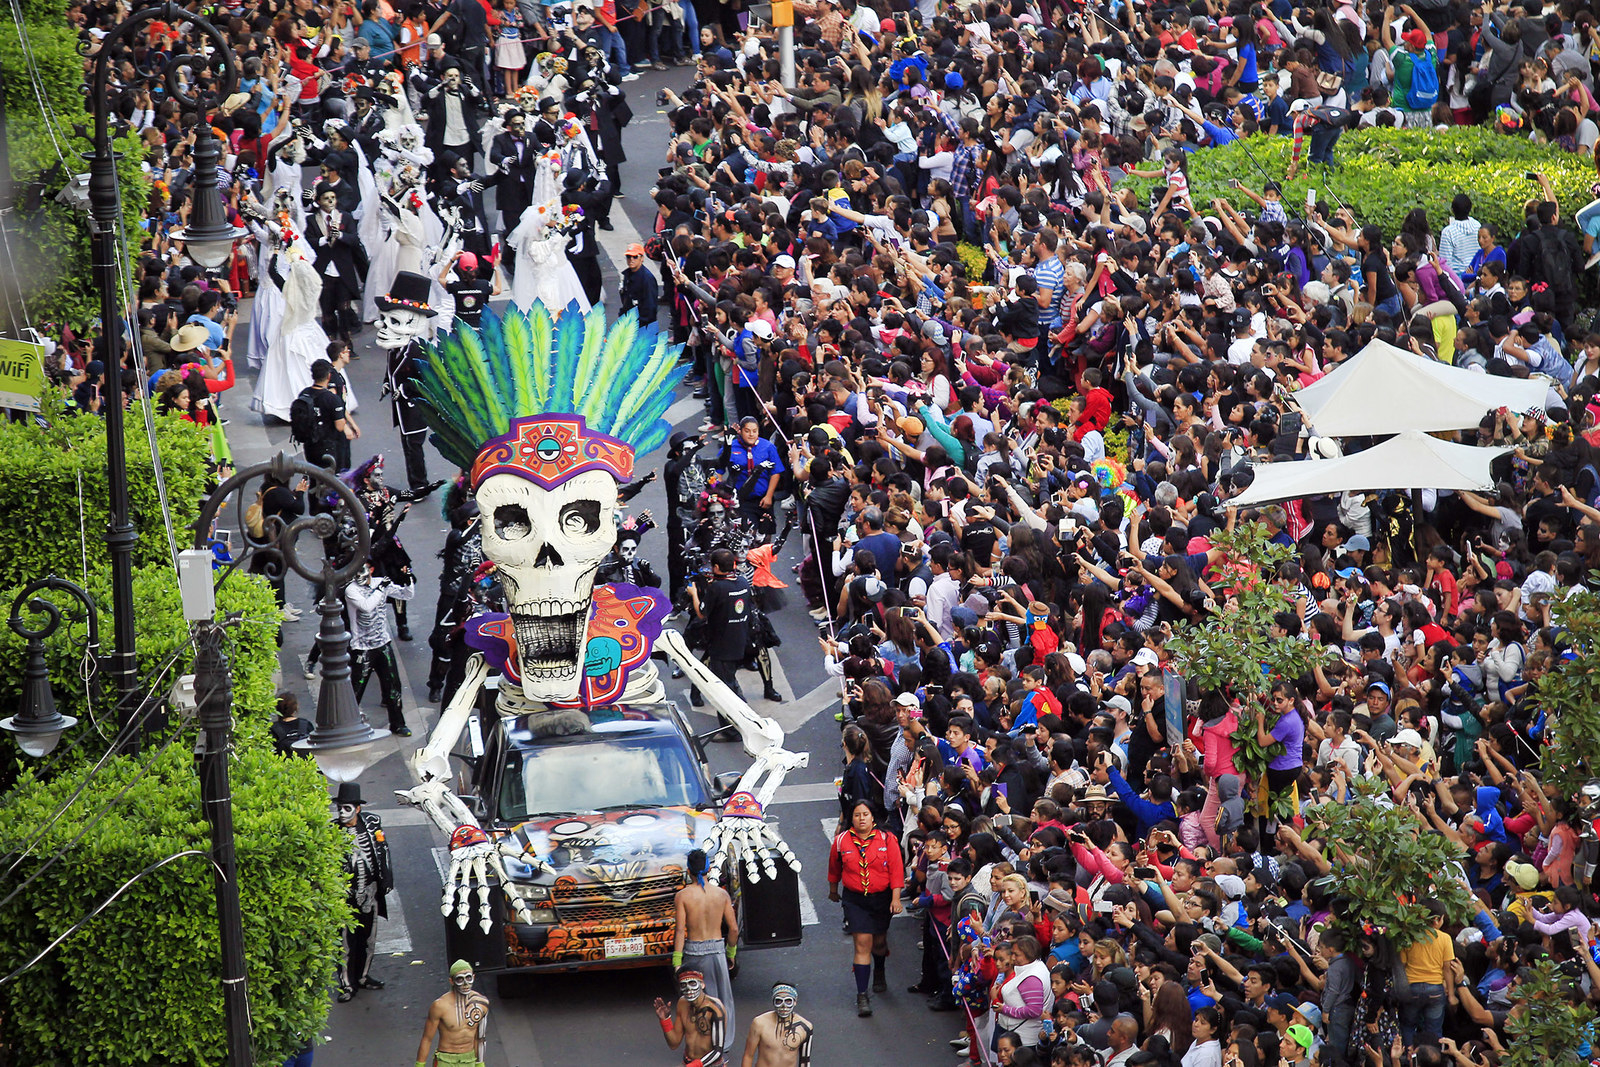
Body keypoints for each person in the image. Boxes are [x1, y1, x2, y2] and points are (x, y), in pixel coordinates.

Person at [826, 799, 904, 1017]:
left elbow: (897, 871)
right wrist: (833, 890)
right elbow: (834, 867)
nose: (861, 818)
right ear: (851, 818)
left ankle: (879, 969)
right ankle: (862, 994)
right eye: (857, 815)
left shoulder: (887, 839)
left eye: (865, 814)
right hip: (855, 900)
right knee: (862, 943)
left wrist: (896, 899)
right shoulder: (841, 841)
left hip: (882, 898)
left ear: (873, 817)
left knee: (878, 942)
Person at [673, 849, 739, 1057]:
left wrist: (677, 960)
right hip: (717, 952)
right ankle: (723, 1046)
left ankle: (701, 1045)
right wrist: (731, 953)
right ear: (709, 868)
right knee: (722, 999)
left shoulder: (682, 896)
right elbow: (734, 929)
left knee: (696, 999)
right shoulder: (721, 894)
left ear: (688, 871)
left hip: (693, 952)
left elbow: (680, 930)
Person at [332, 782, 393, 1001]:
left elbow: (383, 851)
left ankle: (363, 976)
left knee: (368, 939)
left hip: (370, 891)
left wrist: (386, 880)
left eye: (346, 808)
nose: (341, 812)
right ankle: (346, 984)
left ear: (357, 809)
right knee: (345, 943)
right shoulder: (332, 832)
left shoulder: (372, 824)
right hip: (345, 897)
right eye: (339, 807)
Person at [345, 560, 418, 736]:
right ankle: (346, 726)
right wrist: (380, 589)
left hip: (383, 644)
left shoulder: (380, 583)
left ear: (371, 569)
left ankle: (397, 724)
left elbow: (406, 595)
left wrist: (407, 577)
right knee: (356, 688)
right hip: (362, 648)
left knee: (393, 686)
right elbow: (366, 607)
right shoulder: (351, 590)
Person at [688, 547, 753, 702]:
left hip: (722, 645)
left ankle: (735, 722)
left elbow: (701, 613)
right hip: (740, 641)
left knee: (726, 691)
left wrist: (694, 594)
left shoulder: (717, 588)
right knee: (728, 678)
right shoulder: (743, 582)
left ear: (716, 567)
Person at [414, 960, 491, 1067]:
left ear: (473, 977)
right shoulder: (440, 1006)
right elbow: (427, 1039)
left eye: (468, 978)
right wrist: (419, 1065)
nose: (465, 984)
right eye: (460, 979)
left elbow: (480, 1038)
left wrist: (480, 1063)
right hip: (445, 1060)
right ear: (451, 981)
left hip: (469, 1060)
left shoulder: (481, 1003)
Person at [654, 967, 729, 1066]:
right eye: (683, 985)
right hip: (688, 1062)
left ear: (702, 984)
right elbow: (674, 1043)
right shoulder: (682, 1003)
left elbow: (718, 1052)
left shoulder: (715, 1009)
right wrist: (665, 1020)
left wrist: (694, 1065)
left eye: (692, 983)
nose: (688, 989)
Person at [740, 982, 813, 1067]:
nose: (783, 1006)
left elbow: (805, 1061)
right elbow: (748, 1055)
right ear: (773, 1001)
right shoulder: (759, 1023)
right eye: (779, 1001)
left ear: (795, 1001)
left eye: (788, 1001)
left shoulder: (805, 1027)